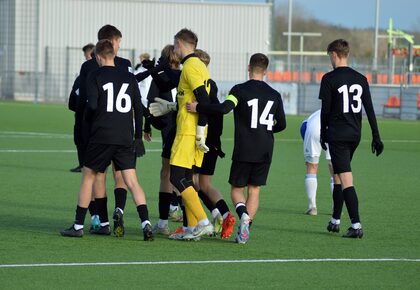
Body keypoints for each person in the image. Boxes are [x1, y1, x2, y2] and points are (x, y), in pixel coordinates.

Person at [187, 53, 286, 244]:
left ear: (249, 67)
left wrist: (199, 107)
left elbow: (224, 108)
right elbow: (281, 124)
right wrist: (266, 130)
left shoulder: (239, 90)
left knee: (236, 190)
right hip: (265, 147)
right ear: (265, 71)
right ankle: (245, 229)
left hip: (245, 147)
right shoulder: (275, 94)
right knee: (254, 190)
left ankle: (243, 216)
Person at [60, 39, 153, 241]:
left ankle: (78, 225)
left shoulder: (95, 75)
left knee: (89, 175)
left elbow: (91, 105)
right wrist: (138, 138)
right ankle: (146, 224)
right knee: (132, 181)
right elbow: (138, 108)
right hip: (125, 136)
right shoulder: (129, 77)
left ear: (99, 56)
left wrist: (88, 122)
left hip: (102, 135)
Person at [151, 28, 214, 241]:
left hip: (188, 131)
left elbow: (203, 101)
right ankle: (190, 229)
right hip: (190, 129)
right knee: (186, 179)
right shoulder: (197, 65)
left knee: (176, 178)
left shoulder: (191, 66)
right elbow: (191, 100)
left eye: (174, 45)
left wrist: (198, 133)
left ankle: (204, 222)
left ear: (179, 42)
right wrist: (170, 106)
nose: (174, 51)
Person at [319, 39, 384, 238]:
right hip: (355, 134)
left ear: (334, 54)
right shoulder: (361, 78)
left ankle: (356, 225)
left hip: (338, 135)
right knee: (338, 175)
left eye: (329, 55)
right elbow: (370, 109)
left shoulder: (329, 78)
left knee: (345, 179)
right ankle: (335, 220)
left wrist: (323, 132)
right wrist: (376, 136)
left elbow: (326, 111)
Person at [77, 25, 133, 237]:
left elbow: (83, 102)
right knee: (123, 175)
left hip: (97, 130)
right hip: (124, 129)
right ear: (112, 42)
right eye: (119, 41)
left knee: (96, 175)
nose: (120, 46)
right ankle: (119, 209)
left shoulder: (90, 66)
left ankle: (101, 221)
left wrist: (83, 129)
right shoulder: (125, 65)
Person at [300, 109, 334, 216]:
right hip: (334, 129)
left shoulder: (311, 117)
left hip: (313, 129)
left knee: (312, 167)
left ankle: (312, 207)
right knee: (336, 172)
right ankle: (336, 208)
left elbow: (304, 129)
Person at [68, 43, 95, 173]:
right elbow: (74, 94)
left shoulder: (97, 72)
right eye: (86, 56)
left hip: (91, 112)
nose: (86, 58)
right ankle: (82, 164)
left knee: (89, 138)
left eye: (87, 55)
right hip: (81, 111)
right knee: (79, 138)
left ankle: (89, 164)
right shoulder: (82, 75)